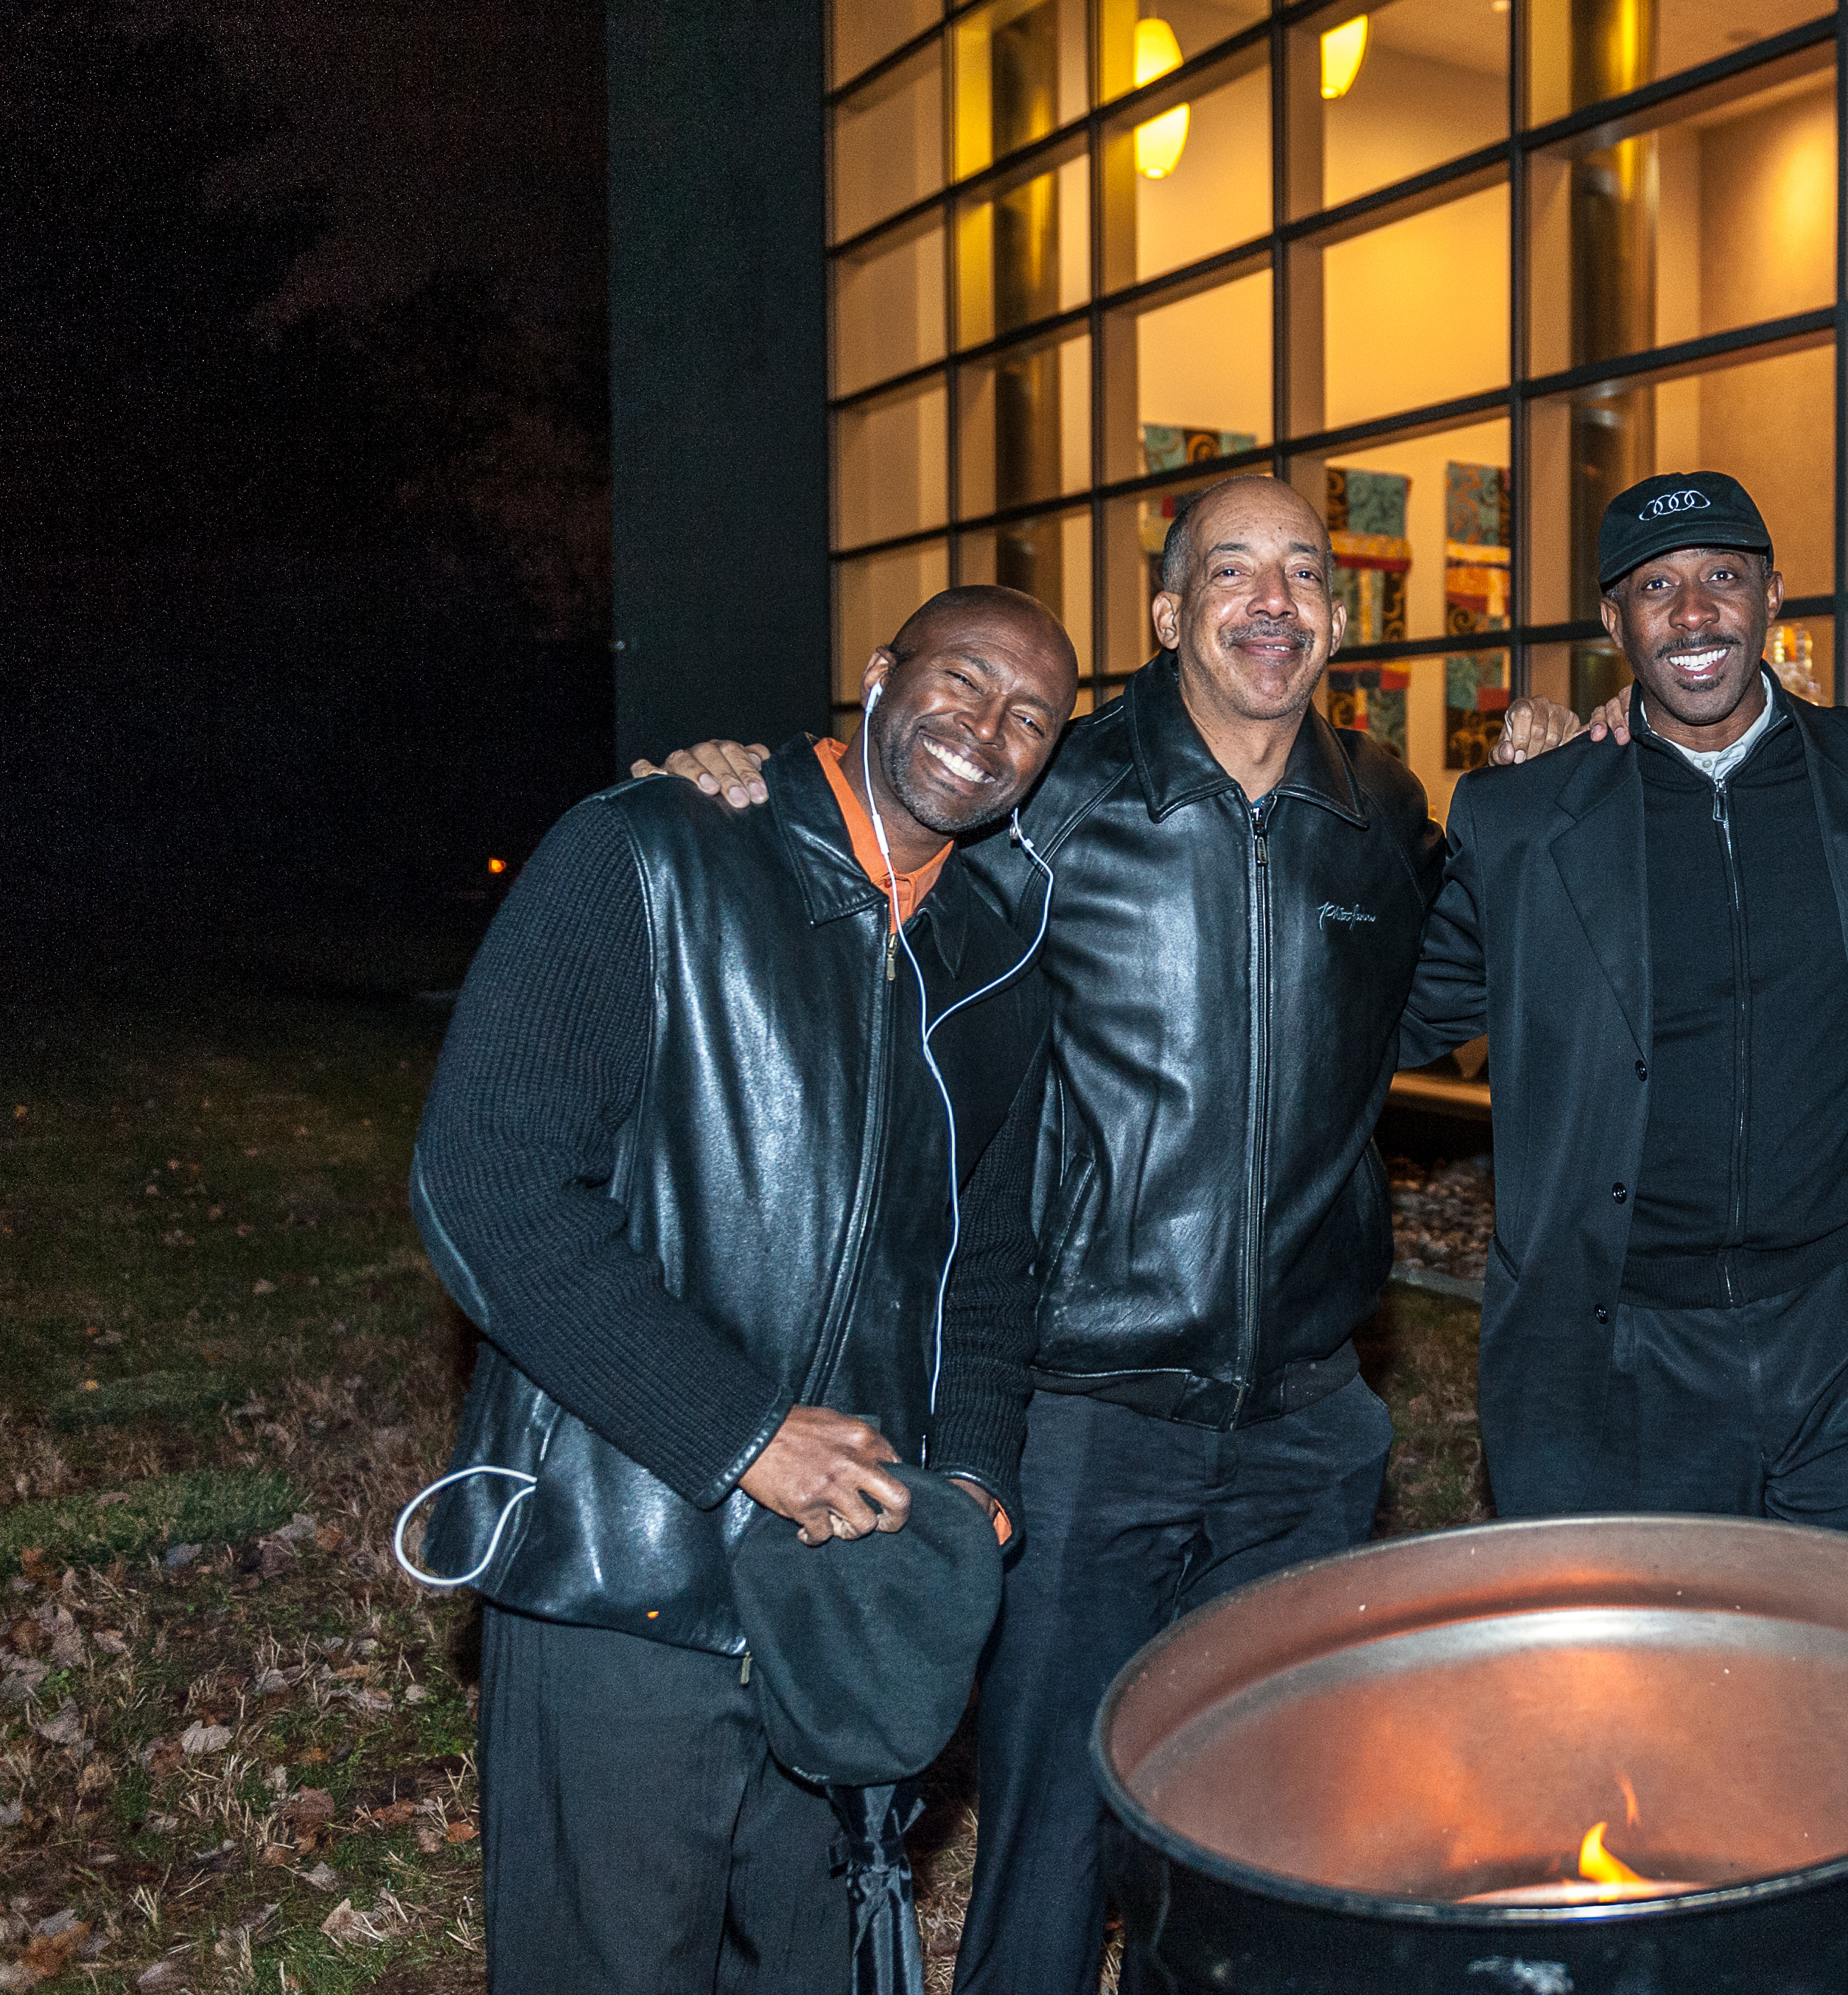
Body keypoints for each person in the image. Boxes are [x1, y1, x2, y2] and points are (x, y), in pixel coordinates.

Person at [638, 475, 1445, 1995]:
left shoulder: (1382, 813)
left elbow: (1443, 986)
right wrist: (740, 792)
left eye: (1302, 572)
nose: (1272, 600)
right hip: (1085, 1419)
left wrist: (1563, 748)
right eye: (1232, 571)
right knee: (1053, 1842)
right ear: (1169, 612)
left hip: (1305, 1428)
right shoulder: (1052, 791)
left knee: (1263, 1834)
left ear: (1338, 619)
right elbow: (873, 884)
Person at [409, 587, 1075, 1993]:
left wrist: (971, 1491)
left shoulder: (998, 960)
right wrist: (744, 1433)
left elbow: (987, 1265)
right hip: (620, 1572)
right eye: (963, 679)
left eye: (1032, 716)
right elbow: (489, 1186)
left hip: (845, 1591)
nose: (988, 727)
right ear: (880, 671)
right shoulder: (656, 851)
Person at [1401, 471, 1848, 1562]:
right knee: (1646, 1666)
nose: (1692, 612)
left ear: (1774, 598)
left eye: (1723, 576)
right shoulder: (1524, 819)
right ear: (1612, 621)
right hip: (1626, 1346)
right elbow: (1377, 1017)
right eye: (1655, 586)